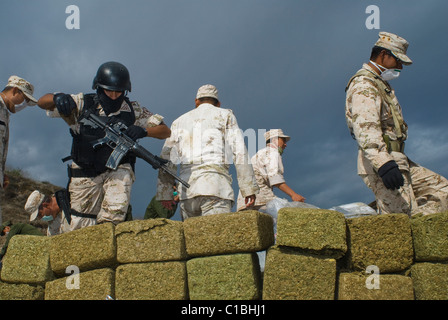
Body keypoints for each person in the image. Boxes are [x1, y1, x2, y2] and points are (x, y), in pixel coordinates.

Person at [37, 61, 171, 229]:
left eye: (118, 92)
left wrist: (144, 131)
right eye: (109, 91)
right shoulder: (81, 103)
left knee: (113, 216)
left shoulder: (133, 109)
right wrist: (57, 98)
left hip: (118, 169)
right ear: (98, 87)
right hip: (84, 171)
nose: (114, 96)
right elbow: (42, 102)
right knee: (79, 223)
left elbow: (165, 131)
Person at [345, 31, 448, 216]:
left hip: (399, 157)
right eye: (398, 60)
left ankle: (382, 211)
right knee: (402, 221)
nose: (400, 66)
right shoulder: (364, 84)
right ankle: (381, 215)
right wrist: (383, 164)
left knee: (442, 191)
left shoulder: (380, 84)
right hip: (381, 160)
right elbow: (366, 128)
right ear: (384, 54)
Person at [156, 84, 259, 220]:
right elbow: (240, 152)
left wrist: (165, 193)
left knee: (193, 239)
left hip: (187, 193)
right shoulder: (225, 115)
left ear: (196, 101)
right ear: (218, 103)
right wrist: (248, 189)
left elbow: (167, 158)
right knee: (216, 238)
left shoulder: (178, 122)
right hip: (215, 188)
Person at [236, 129, 305, 212]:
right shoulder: (272, 153)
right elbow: (275, 178)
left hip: (246, 200)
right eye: (283, 140)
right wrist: (294, 195)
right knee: (287, 214)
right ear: (274, 140)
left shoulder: (259, 154)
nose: (285, 144)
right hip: (260, 199)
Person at [0, 76, 38, 225]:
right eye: (24, 99)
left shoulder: (5, 111)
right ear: (15, 90)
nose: (23, 105)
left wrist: (2, 173)